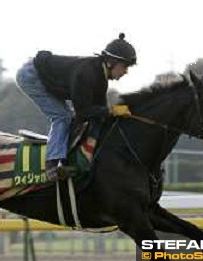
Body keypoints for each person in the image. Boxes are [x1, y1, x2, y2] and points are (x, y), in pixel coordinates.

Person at [16, 33, 136, 182]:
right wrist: (112, 110)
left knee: (73, 116)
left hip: (48, 77)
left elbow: (99, 113)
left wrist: (113, 113)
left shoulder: (101, 78)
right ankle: (51, 165)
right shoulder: (86, 74)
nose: (126, 71)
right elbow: (84, 113)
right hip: (31, 76)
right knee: (63, 116)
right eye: (124, 66)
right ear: (111, 62)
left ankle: (70, 158)